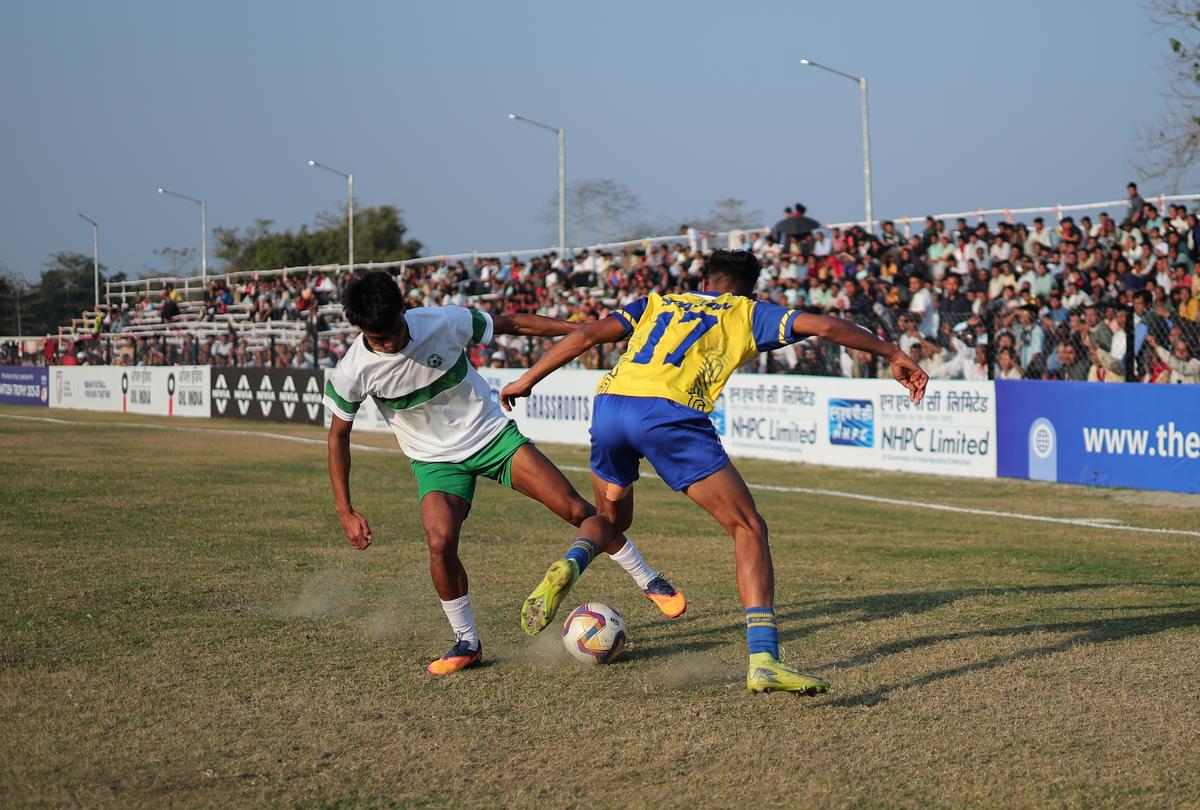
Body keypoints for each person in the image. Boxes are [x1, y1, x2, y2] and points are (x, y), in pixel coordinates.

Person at [500, 250, 927, 695]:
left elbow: (587, 334)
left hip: (611, 406)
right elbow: (826, 326)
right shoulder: (747, 311)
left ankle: (571, 563)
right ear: (752, 290)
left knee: (610, 522)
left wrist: (528, 379)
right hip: (668, 415)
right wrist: (892, 352)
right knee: (747, 526)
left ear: (703, 280)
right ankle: (764, 659)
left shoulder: (657, 302)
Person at [324, 272, 685, 677]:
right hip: (435, 462)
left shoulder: (442, 320)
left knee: (575, 509)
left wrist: (585, 331)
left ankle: (650, 580)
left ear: (403, 309)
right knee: (439, 542)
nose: (390, 342)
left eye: (393, 330)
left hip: (493, 437)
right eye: (377, 337)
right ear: (360, 329)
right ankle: (467, 642)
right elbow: (338, 436)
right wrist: (345, 509)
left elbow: (510, 323)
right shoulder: (352, 371)